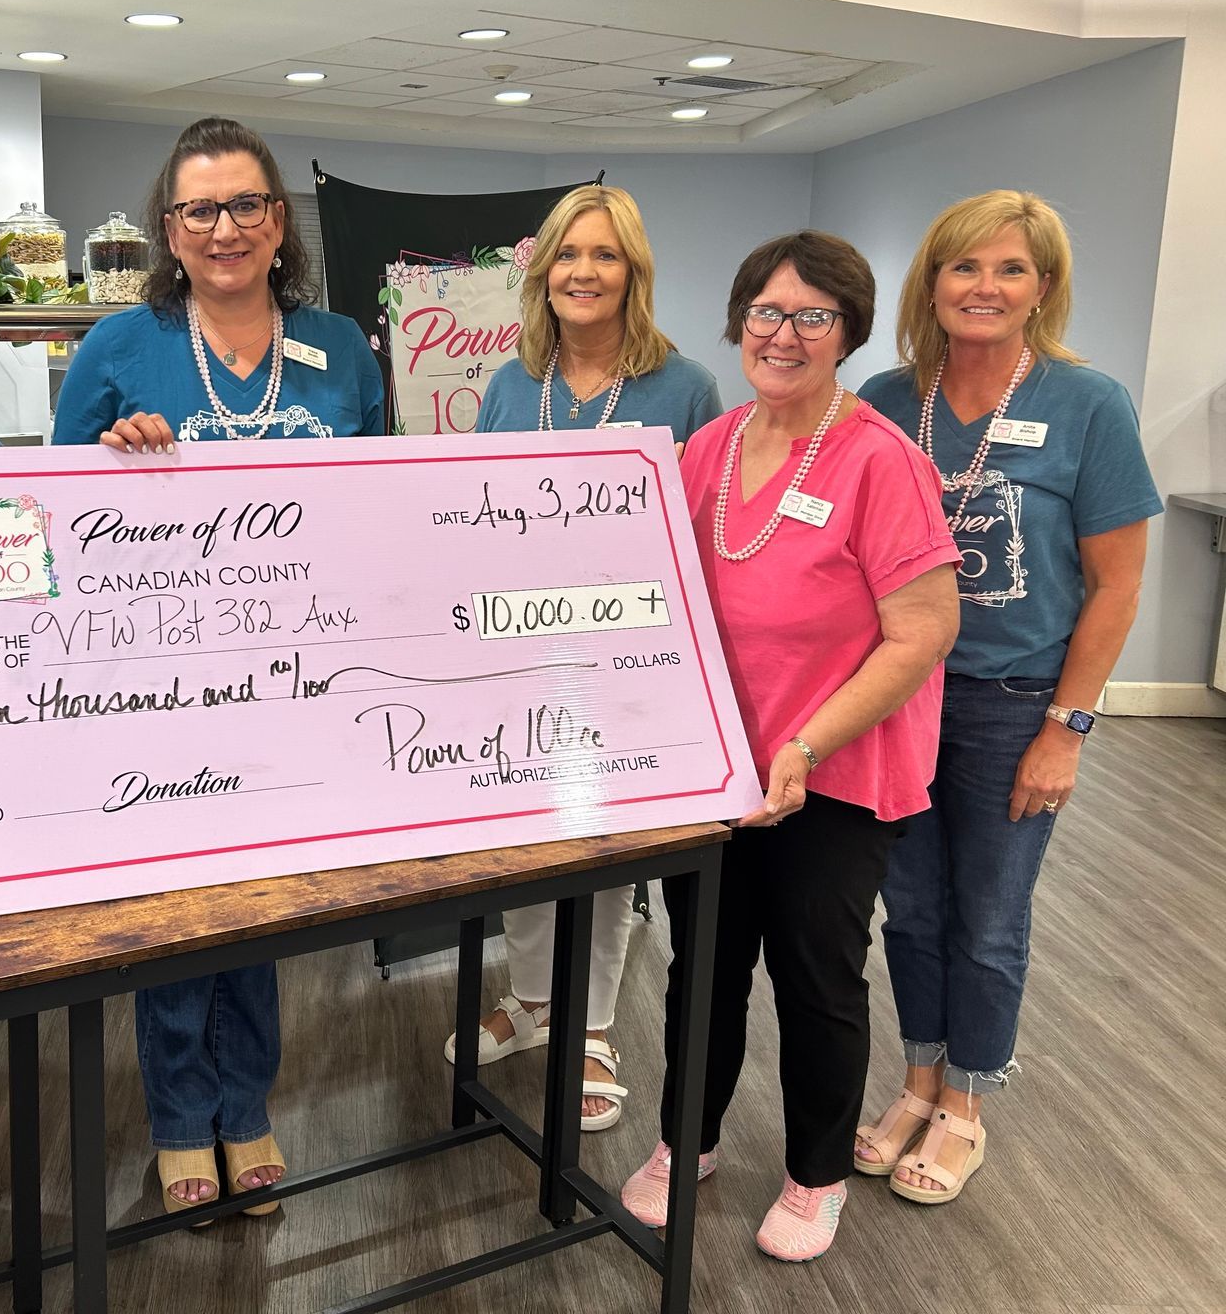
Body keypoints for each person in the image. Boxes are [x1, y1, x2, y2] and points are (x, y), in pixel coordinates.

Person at [51, 116, 384, 1218]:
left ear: (281, 221)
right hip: (164, 691)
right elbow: (59, 520)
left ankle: (249, 1107)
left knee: (265, 910)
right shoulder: (118, 347)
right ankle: (182, 1118)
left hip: (307, 684)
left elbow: (383, 508)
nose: (226, 228)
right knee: (179, 914)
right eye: (201, 209)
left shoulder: (340, 346)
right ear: (169, 228)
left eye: (247, 205)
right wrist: (115, 463)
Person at [619, 230, 960, 1262]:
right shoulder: (709, 449)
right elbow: (656, 593)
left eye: (813, 316)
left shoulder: (879, 461)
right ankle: (690, 1140)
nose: (784, 333)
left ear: (847, 332)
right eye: (767, 311)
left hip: (836, 772)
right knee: (705, 965)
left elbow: (925, 629)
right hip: (719, 767)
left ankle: (816, 1174)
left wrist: (806, 744)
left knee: (816, 973)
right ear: (738, 322)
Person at [854, 192, 1160, 1204]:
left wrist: (1066, 729)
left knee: (988, 916)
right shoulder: (890, 400)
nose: (985, 287)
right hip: (900, 695)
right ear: (931, 283)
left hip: (1013, 699)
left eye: (1011, 270)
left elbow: (1116, 583)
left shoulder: (1088, 404)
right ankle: (917, 1078)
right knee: (909, 910)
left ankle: (967, 1104)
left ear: (1042, 289)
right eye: (964, 268)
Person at [444, 184, 721, 1133]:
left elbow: (696, 534)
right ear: (543, 270)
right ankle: (530, 1000)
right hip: (518, 648)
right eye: (568, 255)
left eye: (605, 256)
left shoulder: (682, 387)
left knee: (600, 843)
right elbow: (473, 510)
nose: (584, 273)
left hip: (627, 655)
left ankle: (592, 1024)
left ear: (632, 271)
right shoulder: (516, 383)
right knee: (525, 833)